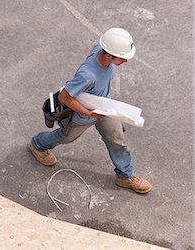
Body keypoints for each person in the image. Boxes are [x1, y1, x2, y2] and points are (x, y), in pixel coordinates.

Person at [28, 28, 152, 194]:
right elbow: (65, 97)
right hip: (85, 113)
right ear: (109, 55)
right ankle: (37, 145)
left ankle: (125, 176)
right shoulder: (87, 75)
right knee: (66, 137)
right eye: (123, 58)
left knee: (117, 140)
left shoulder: (99, 49)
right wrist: (89, 113)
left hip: (103, 108)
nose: (125, 61)